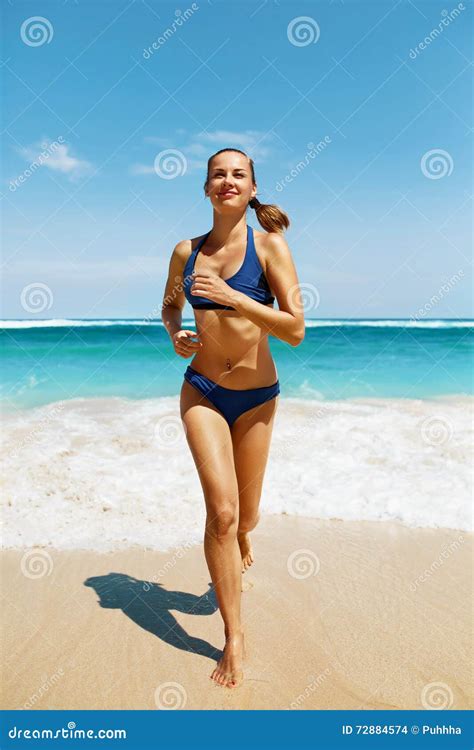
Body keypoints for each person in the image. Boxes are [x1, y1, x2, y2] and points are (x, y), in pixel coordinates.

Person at [161, 147, 305, 688]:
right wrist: (175, 332)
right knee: (220, 513)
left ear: (250, 188)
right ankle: (234, 637)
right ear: (206, 189)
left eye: (237, 174)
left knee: (246, 518)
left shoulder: (270, 248)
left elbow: (295, 329)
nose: (227, 181)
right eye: (218, 174)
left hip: (257, 398)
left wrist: (232, 298)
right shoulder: (186, 251)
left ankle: (245, 535)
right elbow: (169, 304)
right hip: (201, 391)